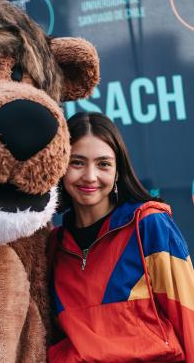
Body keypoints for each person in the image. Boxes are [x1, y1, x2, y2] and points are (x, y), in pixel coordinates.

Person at [48, 111, 194, 362]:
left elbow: (187, 314)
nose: (90, 176)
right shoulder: (52, 246)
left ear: (118, 172)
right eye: (77, 162)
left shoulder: (149, 224)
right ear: (61, 167)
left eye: (103, 164)